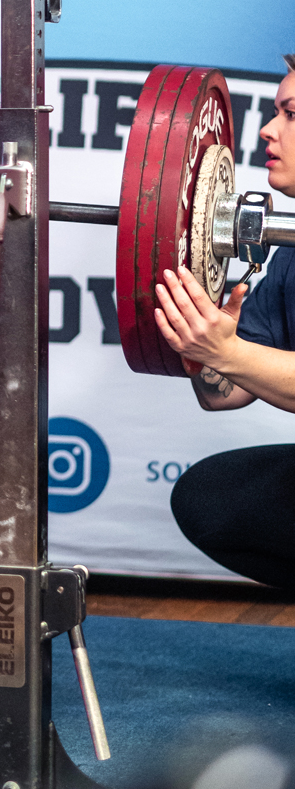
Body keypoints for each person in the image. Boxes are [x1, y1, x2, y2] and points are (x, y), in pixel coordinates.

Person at [159, 53, 295, 590]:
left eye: (292, 114)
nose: (267, 129)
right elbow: (222, 395)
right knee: (210, 499)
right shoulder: (290, 251)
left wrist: (227, 352)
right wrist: (203, 343)